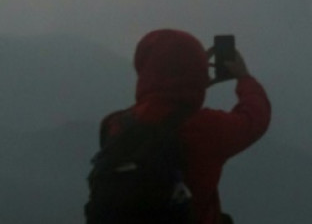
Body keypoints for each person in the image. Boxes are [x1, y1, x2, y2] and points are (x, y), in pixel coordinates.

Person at [97, 29, 271, 224]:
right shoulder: (204, 129)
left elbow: (160, 104)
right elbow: (255, 118)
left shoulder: (113, 125)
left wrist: (192, 82)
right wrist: (244, 77)